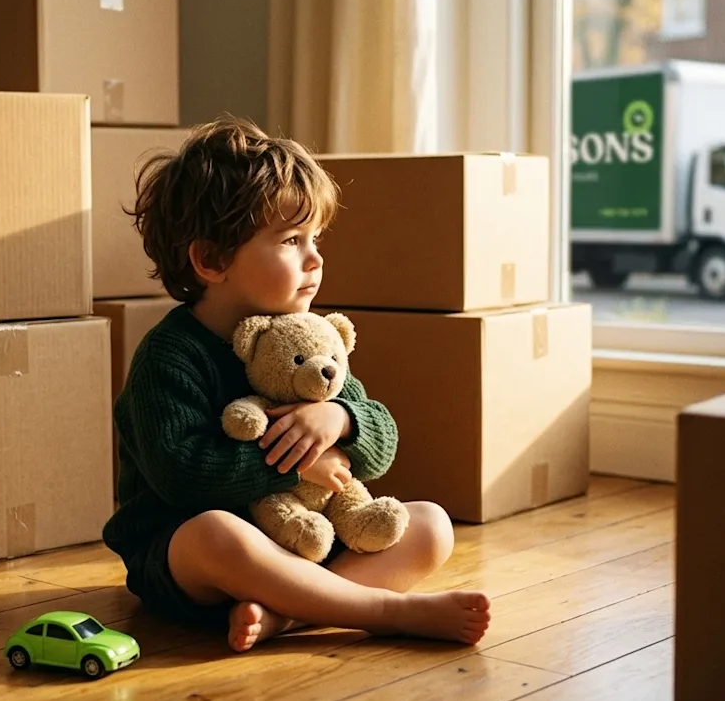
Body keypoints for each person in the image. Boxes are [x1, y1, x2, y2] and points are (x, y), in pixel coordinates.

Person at [101, 116, 491, 652]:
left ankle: (286, 616)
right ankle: (384, 611)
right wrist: (295, 462)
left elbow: (381, 444)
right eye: (291, 240)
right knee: (215, 532)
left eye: (316, 238)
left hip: (311, 538)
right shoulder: (170, 356)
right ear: (212, 259)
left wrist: (343, 419)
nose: (316, 259)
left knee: (431, 525)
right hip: (189, 560)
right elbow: (181, 477)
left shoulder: (311, 337)